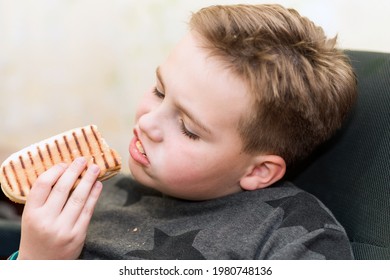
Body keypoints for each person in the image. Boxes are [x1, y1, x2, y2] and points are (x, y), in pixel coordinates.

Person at [12, 4, 357, 260]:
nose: (147, 123)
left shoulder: (293, 241)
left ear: (258, 171)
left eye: (188, 129)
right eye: (160, 91)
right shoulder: (104, 193)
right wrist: (34, 259)